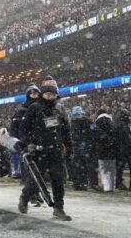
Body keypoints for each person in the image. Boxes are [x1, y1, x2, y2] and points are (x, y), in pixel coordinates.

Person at [17, 76, 73, 221]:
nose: (50, 97)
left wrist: (69, 147)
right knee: (36, 180)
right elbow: (23, 129)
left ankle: (58, 209)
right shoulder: (34, 108)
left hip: (55, 151)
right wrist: (28, 143)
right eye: (48, 94)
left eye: (53, 94)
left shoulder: (59, 109)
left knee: (58, 181)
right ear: (43, 94)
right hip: (39, 150)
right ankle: (24, 198)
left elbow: (66, 131)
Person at [69, 106, 94, 191]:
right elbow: (95, 129)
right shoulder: (88, 120)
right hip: (86, 145)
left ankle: (77, 184)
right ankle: (84, 183)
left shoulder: (72, 121)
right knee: (85, 165)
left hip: (75, 146)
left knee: (76, 165)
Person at [95, 107, 117, 193]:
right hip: (112, 149)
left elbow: (93, 133)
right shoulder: (112, 122)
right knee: (112, 169)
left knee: (104, 168)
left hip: (101, 149)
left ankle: (106, 187)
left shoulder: (95, 123)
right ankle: (112, 187)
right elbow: (115, 134)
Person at [113, 99, 131, 190]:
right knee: (121, 167)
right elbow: (127, 139)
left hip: (118, 149)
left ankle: (118, 183)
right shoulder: (124, 126)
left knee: (119, 168)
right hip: (125, 149)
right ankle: (119, 183)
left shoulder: (115, 125)